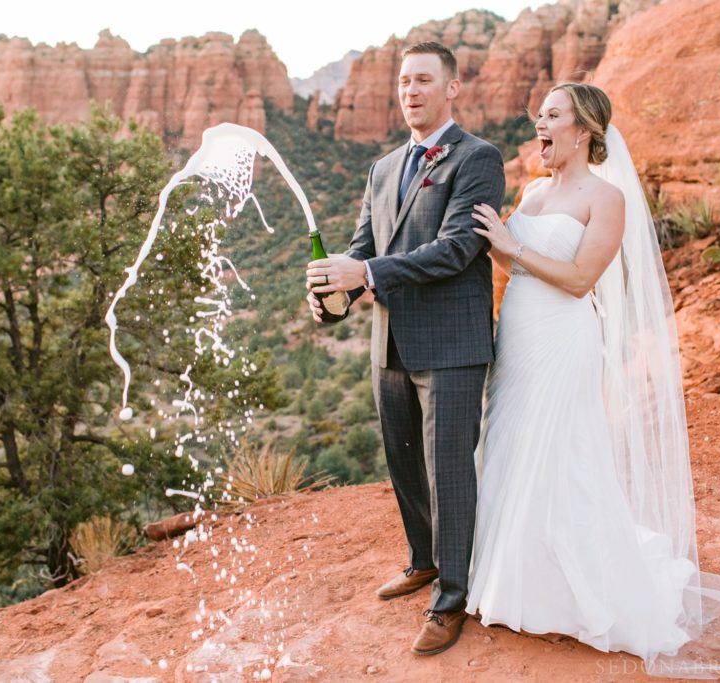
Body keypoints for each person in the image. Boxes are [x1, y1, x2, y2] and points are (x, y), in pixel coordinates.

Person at [466, 82, 720, 677]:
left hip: (565, 337)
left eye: (552, 116)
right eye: (538, 116)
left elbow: (578, 279)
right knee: (510, 445)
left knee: (563, 451)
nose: (539, 126)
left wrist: (510, 245)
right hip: (517, 334)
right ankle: (508, 577)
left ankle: (575, 592)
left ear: (584, 131)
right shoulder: (533, 189)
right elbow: (510, 256)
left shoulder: (608, 198)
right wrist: (493, 239)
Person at [305, 41, 504, 655]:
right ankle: (423, 559)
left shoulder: (479, 158)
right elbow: (364, 247)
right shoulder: (383, 167)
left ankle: (452, 598)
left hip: (450, 344)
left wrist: (362, 276)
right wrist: (334, 290)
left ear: (452, 88)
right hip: (389, 341)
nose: (410, 91)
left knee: (448, 474)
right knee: (404, 461)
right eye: (403, 82)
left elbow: (455, 250)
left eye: (423, 80)